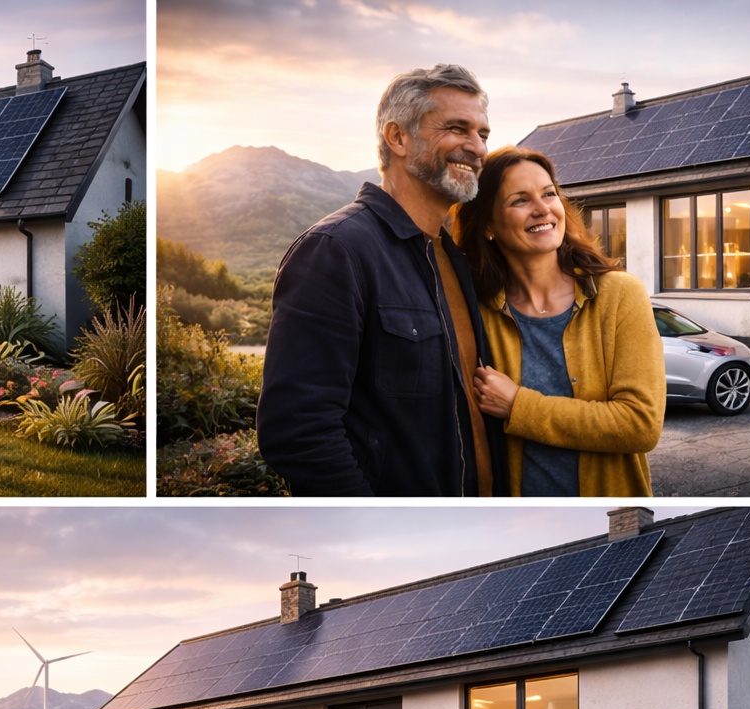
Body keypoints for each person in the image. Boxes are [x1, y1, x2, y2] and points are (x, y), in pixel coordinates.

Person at [256, 65, 508, 496]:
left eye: (483, 133)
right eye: (457, 128)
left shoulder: (454, 258)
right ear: (398, 138)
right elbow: (297, 429)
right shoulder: (337, 251)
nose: (477, 147)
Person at [454, 147, 664, 497]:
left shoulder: (619, 294)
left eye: (549, 194)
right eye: (520, 200)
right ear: (488, 225)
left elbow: (640, 425)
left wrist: (518, 406)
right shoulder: (478, 313)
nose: (543, 209)